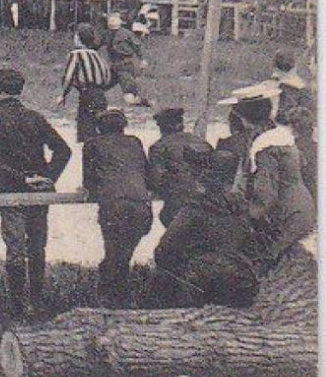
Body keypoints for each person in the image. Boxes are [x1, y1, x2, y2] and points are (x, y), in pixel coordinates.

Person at [0, 68, 73, 318]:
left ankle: (17, 306)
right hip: (39, 194)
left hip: (11, 193)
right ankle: (37, 301)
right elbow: (63, 150)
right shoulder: (36, 118)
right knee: (37, 247)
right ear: (21, 90)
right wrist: (48, 178)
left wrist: (22, 178)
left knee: (14, 250)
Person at [142, 149, 259, 309]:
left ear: (207, 177)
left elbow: (165, 249)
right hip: (242, 280)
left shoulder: (195, 208)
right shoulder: (246, 209)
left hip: (202, 281)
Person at [232, 92, 316, 264]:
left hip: (289, 217)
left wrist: (244, 217)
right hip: (300, 209)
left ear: (243, 119)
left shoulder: (266, 145)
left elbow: (266, 195)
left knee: (253, 260)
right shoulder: (278, 136)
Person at [81, 108, 154, 307]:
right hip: (141, 206)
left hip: (114, 206)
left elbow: (89, 181)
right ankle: (119, 299)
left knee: (115, 255)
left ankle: (113, 301)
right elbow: (147, 176)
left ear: (99, 128)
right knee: (121, 256)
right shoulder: (135, 142)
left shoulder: (92, 144)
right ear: (123, 127)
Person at [146, 107, 211, 227]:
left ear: (162, 127)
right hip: (208, 201)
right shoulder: (201, 142)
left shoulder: (159, 147)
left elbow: (156, 179)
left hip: (178, 202)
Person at [57, 22, 113, 143]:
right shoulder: (97, 55)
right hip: (101, 94)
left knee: (85, 129)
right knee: (99, 125)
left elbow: (68, 77)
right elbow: (107, 76)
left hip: (87, 94)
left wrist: (63, 94)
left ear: (78, 38)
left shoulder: (76, 54)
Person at [105, 13, 150, 107]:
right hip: (114, 64)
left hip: (125, 64)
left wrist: (143, 59)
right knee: (103, 85)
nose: (112, 22)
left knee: (129, 90)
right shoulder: (107, 33)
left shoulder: (126, 34)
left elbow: (137, 46)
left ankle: (139, 101)